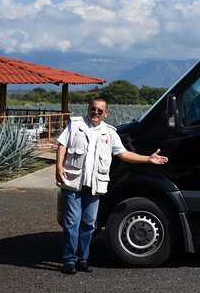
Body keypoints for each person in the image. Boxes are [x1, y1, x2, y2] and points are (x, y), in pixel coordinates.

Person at [55, 97, 168, 275]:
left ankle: (82, 259)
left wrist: (148, 159)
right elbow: (62, 144)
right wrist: (59, 166)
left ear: (106, 114)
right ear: (88, 109)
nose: (96, 113)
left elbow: (124, 154)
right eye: (93, 109)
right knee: (71, 223)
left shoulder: (109, 133)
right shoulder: (75, 125)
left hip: (94, 186)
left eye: (100, 111)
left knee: (89, 224)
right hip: (73, 182)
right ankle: (69, 260)